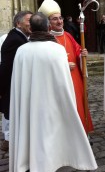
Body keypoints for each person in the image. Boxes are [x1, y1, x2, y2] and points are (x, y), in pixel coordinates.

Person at [9, 12, 97, 171]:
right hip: (51, 104)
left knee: (34, 132)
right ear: (47, 26)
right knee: (51, 133)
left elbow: (18, 84)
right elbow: (65, 84)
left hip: (29, 105)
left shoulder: (21, 51)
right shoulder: (56, 50)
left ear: (32, 28)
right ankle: (55, 159)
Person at [38, 0, 94, 133]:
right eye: (55, 19)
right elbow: (45, 62)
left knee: (78, 107)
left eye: (60, 18)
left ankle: (81, 135)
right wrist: (62, 65)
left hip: (75, 79)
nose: (59, 21)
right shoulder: (46, 39)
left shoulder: (68, 35)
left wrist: (82, 54)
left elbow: (77, 50)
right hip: (59, 81)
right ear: (48, 22)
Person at [0, 11, 32, 152]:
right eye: (29, 20)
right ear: (18, 23)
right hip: (12, 89)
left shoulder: (21, 37)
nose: (32, 23)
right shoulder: (15, 40)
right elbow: (6, 69)